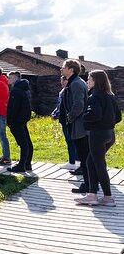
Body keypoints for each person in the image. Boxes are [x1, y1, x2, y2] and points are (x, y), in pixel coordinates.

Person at [75, 70, 121, 207]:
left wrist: (83, 117)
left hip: (98, 135)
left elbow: (94, 114)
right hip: (109, 134)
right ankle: (92, 195)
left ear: (96, 80)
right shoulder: (109, 95)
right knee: (91, 162)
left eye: (89, 79)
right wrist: (107, 123)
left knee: (99, 165)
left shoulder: (94, 96)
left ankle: (107, 197)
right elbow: (118, 117)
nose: (87, 81)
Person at [61, 59, 92, 193]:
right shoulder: (74, 82)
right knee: (83, 155)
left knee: (84, 155)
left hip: (79, 126)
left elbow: (78, 105)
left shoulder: (76, 84)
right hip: (78, 124)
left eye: (64, 67)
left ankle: (88, 185)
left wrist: (69, 118)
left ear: (71, 69)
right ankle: (89, 183)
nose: (61, 69)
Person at [6, 71, 33, 173]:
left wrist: (10, 121)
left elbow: (13, 108)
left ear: (16, 79)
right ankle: (27, 164)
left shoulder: (16, 91)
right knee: (27, 142)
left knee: (23, 143)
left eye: (10, 78)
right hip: (23, 119)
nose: (8, 79)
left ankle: (21, 165)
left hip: (17, 121)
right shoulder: (24, 89)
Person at [51, 75, 78, 170]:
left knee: (71, 141)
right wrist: (54, 113)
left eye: (65, 80)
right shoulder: (61, 92)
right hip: (63, 119)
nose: (62, 82)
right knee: (69, 140)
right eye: (61, 81)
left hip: (68, 120)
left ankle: (73, 162)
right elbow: (59, 106)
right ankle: (74, 160)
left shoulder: (69, 91)